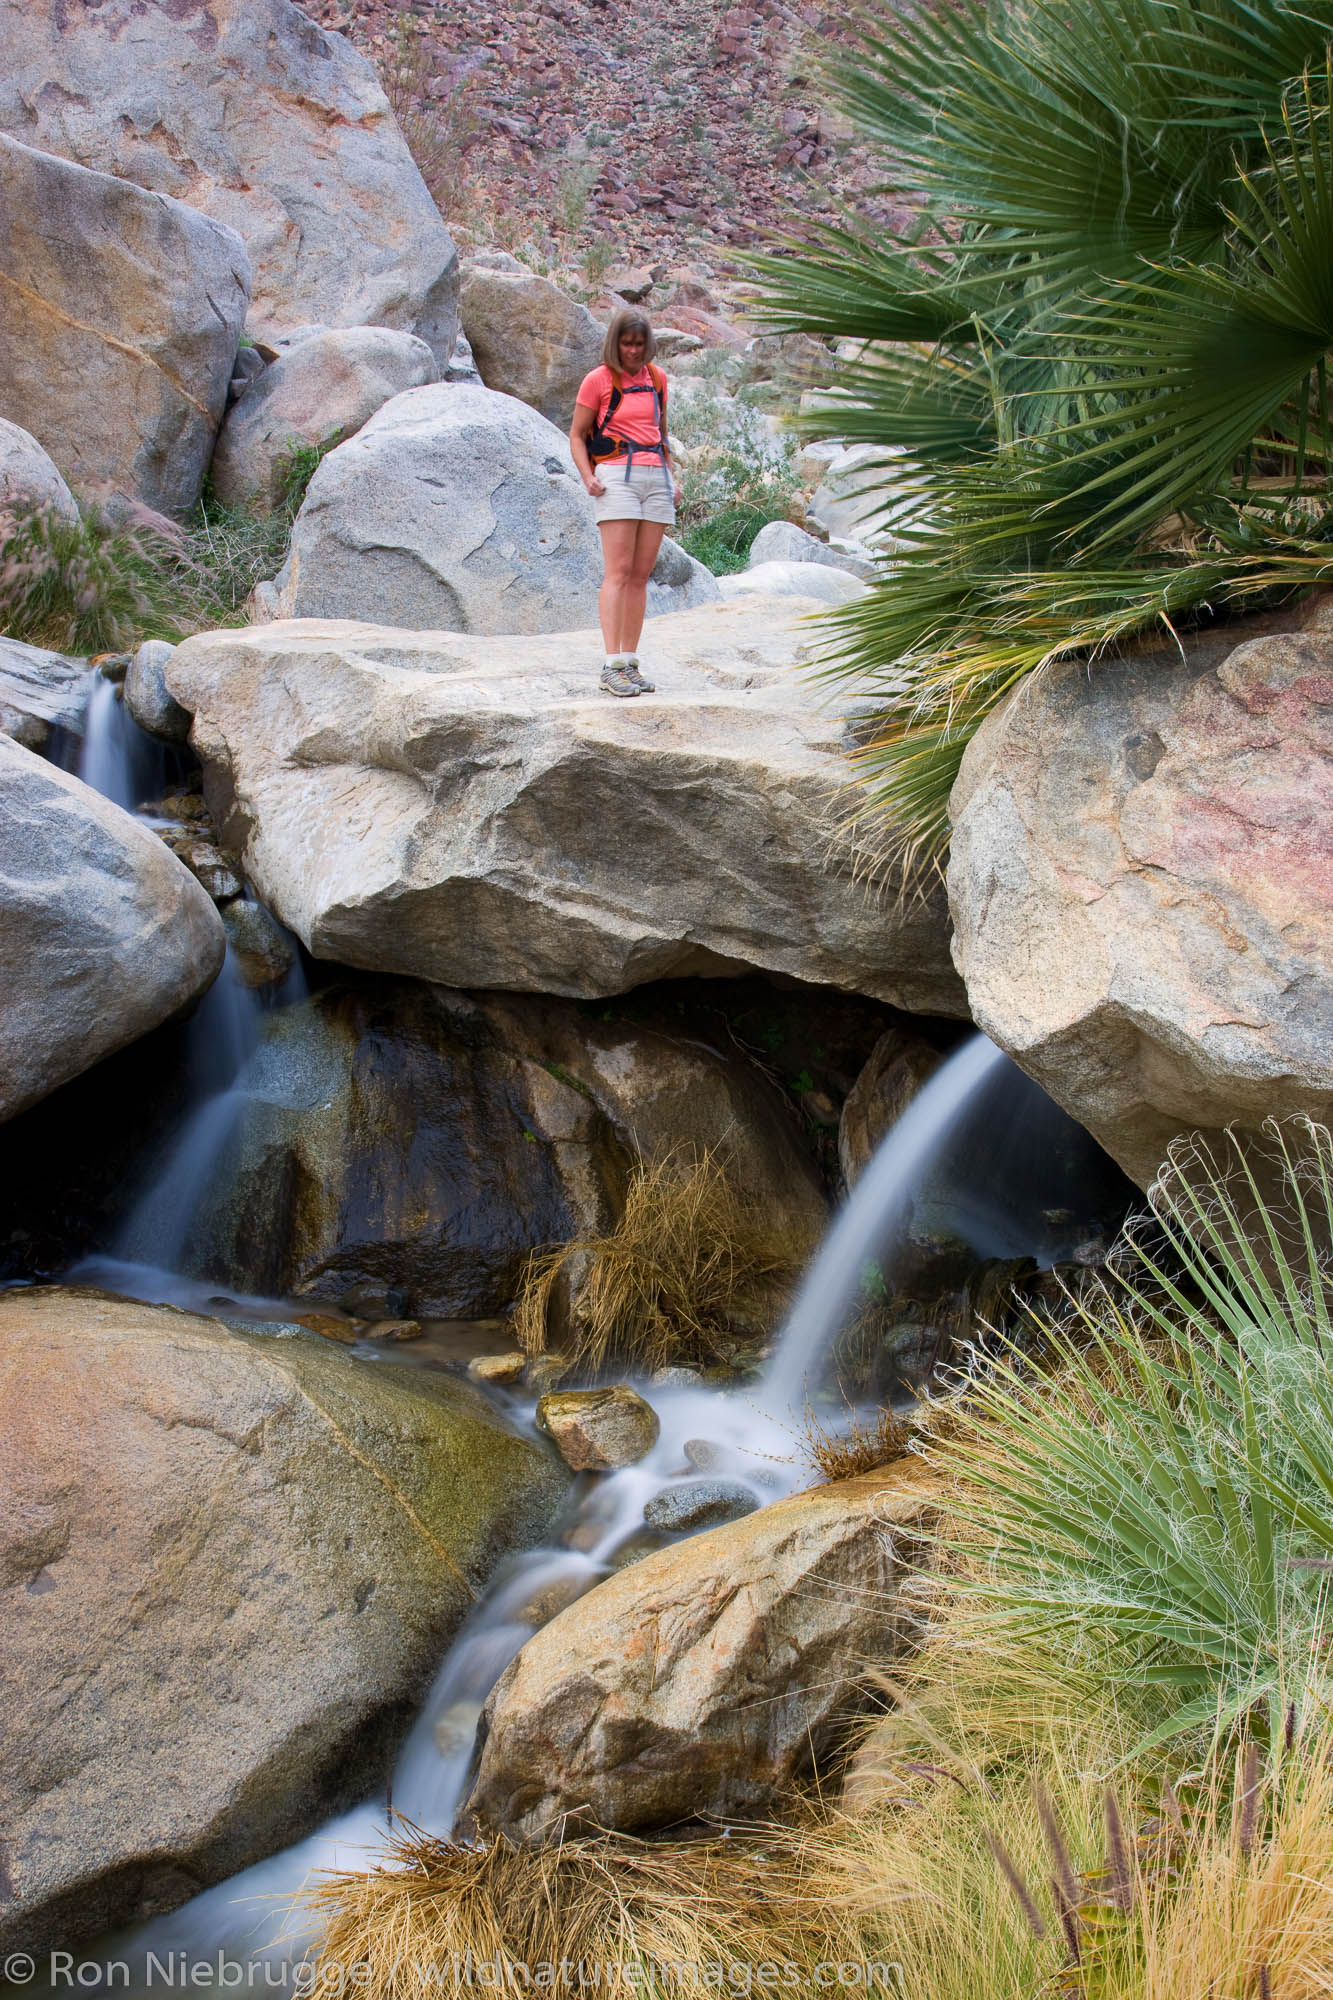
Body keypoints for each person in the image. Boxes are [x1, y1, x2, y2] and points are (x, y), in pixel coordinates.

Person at [570, 307, 683, 697]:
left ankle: (630, 661)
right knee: (618, 570)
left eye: (639, 344)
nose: (633, 351)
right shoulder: (598, 381)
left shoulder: (657, 379)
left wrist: (672, 477)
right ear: (615, 343)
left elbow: (661, 433)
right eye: (627, 343)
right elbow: (578, 435)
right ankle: (611, 663)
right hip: (617, 475)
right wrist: (588, 476)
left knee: (640, 573)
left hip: (655, 476)